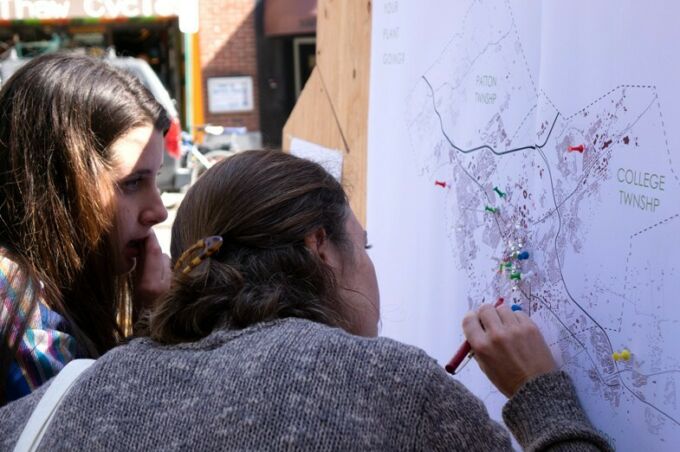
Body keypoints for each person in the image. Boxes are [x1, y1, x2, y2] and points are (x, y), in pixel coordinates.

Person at [0, 151, 611, 451]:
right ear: (320, 247)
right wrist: (543, 401)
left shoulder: (62, 400)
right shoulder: (390, 387)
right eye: (362, 244)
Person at [0, 52, 170, 405]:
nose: (158, 211)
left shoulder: (42, 286)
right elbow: (98, 427)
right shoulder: (19, 301)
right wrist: (153, 327)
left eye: (157, 180)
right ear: (58, 186)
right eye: (133, 182)